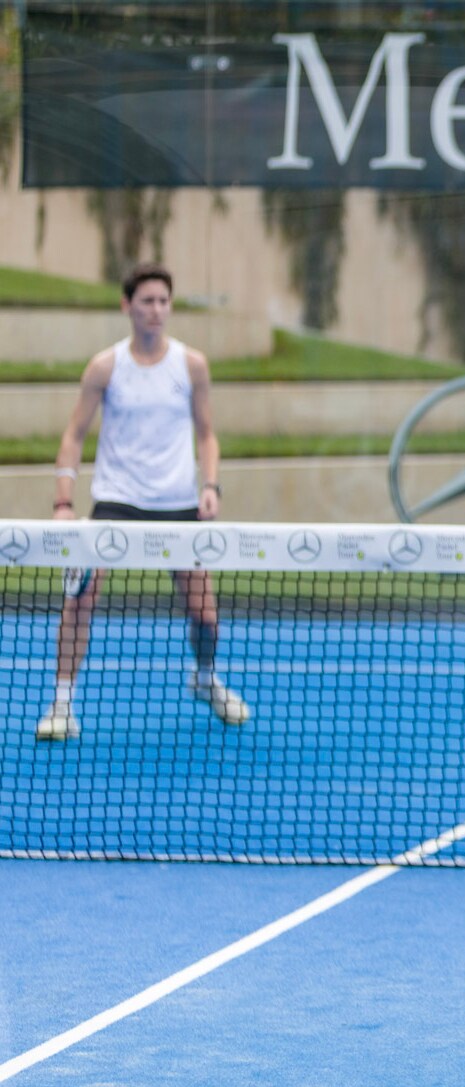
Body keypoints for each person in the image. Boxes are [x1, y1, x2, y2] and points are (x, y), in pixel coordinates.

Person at [35, 262, 251, 741]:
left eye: (163, 301)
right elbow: (74, 435)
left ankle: (205, 678)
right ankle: (62, 704)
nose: (156, 310)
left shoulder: (191, 365)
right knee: (79, 599)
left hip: (177, 505)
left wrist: (210, 487)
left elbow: (208, 435)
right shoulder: (105, 367)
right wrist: (63, 502)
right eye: (147, 301)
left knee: (205, 615)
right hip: (116, 502)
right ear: (127, 306)